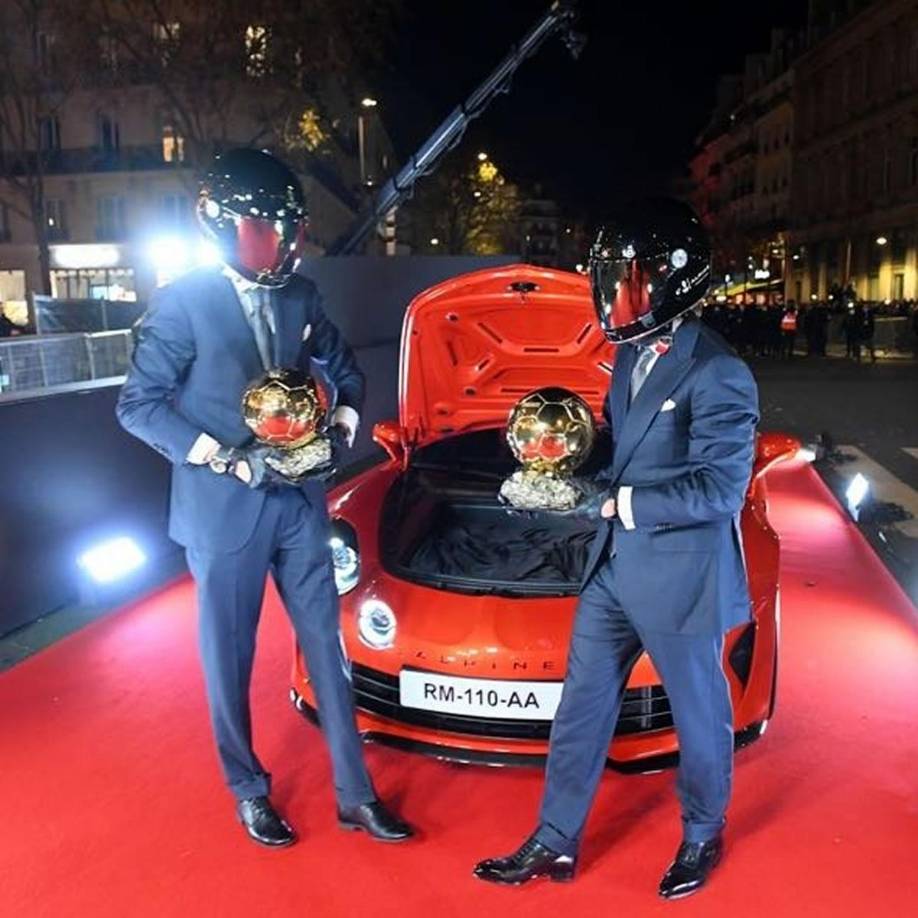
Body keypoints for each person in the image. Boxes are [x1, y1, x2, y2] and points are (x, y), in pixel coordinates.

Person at [116, 148, 413, 848]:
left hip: (300, 503)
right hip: (224, 514)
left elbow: (342, 368)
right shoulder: (181, 304)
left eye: (286, 231)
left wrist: (339, 427)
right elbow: (139, 405)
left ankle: (355, 795)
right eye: (262, 231)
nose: (277, 246)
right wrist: (220, 457)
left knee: (328, 652)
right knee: (230, 659)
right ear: (223, 227)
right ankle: (248, 790)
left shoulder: (299, 295)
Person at [473, 199, 759, 900]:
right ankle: (555, 837)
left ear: (675, 280)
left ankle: (701, 834)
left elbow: (720, 489)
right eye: (613, 280)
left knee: (699, 716)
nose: (618, 296)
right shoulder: (630, 352)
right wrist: (556, 474)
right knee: (580, 708)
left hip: (680, 579)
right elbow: (618, 451)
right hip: (613, 569)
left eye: (633, 280)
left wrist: (610, 503)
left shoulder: (718, 371)